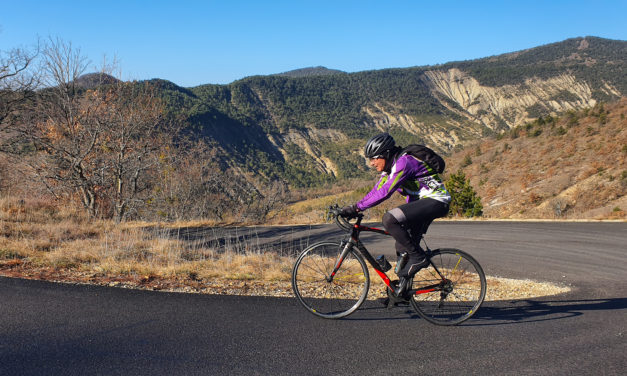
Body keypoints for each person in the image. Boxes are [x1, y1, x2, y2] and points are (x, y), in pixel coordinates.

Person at [340, 132, 451, 298]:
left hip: (437, 201)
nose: (371, 163)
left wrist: (357, 208)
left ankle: (419, 258)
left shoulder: (404, 163)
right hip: (422, 203)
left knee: (389, 219)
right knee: (402, 248)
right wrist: (353, 207)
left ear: (385, 154)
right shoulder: (390, 169)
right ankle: (402, 294)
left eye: (374, 158)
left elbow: (385, 192)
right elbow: (376, 190)